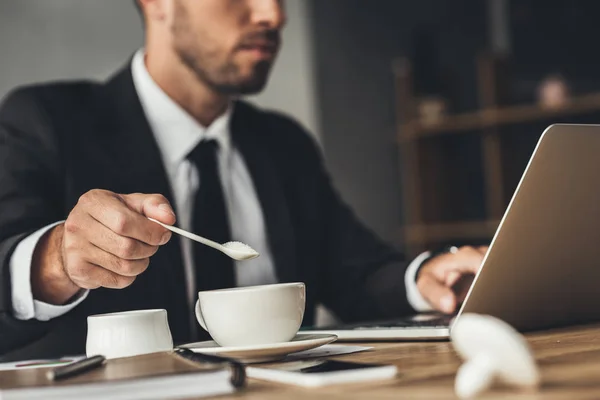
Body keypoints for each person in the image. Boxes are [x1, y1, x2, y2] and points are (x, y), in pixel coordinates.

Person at [0, 0, 486, 360]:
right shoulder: (45, 121)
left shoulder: (282, 142)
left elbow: (353, 271)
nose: (273, 15)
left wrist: (424, 280)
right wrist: (59, 259)